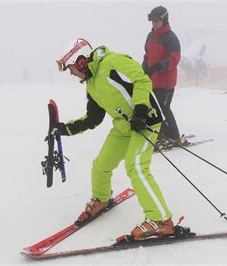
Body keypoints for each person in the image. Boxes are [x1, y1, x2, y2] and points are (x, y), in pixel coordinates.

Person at [55, 38, 175, 240]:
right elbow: (93, 118)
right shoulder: (91, 84)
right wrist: (65, 129)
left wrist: (140, 111)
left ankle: (161, 220)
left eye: (70, 68)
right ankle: (101, 198)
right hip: (124, 126)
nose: (71, 73)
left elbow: (142, 80)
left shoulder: (113, 61)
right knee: (101, 164)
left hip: (146, 120)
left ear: (81, 61)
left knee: (135, 166)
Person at [142, 5, 186, 147]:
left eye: (156, 21)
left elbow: (175, 58)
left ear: (164, 20)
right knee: (155, 108)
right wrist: (145, 67)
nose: (153, 24)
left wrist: (159, 65)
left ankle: (174, 135)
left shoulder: (170, 37)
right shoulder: (150, 37)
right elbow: (147, 55)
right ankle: (162, 133)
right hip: (153, 80)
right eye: (152, 21)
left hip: (166, 82)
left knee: (164, 107)